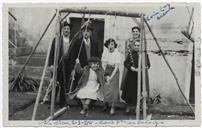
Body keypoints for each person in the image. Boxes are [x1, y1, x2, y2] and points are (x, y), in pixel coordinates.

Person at [121, 26, 150, 114]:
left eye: (137, 31)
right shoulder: (129, 42)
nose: (135, 33)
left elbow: (147, 61)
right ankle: (129, 105)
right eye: (133, 31)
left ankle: (140, 105)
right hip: (132, 67)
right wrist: (131, 67)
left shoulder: (143, 42)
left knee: (141, 87)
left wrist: (143, 67)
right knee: (129, 87)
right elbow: (127, 58)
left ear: (139, 33)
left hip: (140, 69)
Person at [69, 22, 103, 91]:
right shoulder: (77, 43)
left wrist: (96, 67)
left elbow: (97, 57)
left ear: (91, 32)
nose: (86, 33)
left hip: (91, 69)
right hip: (81, 70)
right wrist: (73, 69)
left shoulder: (94, 43)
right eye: (84, 31)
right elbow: (72, 57)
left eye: (88, 31)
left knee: (90, 88)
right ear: (82, 32)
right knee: (80, 88)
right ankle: (79, 100)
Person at [48, 21, 72, 108]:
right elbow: (51, 52)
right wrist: (51, 64)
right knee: (55, 84)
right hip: (57, 64)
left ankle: (62, 103)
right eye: (65, 29)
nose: (66, 30)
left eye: (68, 29)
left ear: (70, 31)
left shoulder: (72, 40)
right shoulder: (57, 39)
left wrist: (72, 67)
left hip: (67, 66)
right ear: (62, 30)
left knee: (64, 85)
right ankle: (52, 102)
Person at [101, 38, 121, 115]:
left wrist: (111, 77)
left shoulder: (117, 54)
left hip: (114, 72)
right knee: (106, 88)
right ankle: (106, 104)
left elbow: (116, 67)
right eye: (109, 44)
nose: (110, 46)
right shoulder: (105, 53)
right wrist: (105, 75)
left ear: (114, 45)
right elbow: (103, 64)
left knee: (113, 90)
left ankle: (112, 107)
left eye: (112, 44)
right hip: (106, 70)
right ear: (107, 45)